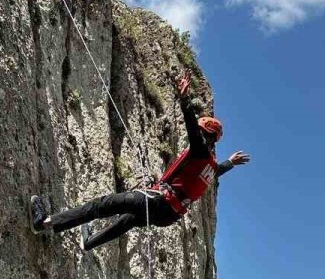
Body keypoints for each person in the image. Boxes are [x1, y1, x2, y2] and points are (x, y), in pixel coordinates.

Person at [30, 72, 250, 252]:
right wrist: (230, 162)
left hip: (159, 201)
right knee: (127, 221)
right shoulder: (209, 167)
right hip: (168, 215)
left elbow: (192, 129)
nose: (198, 135)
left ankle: (45, 223)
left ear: (206, 136)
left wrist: (184, 100)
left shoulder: (200, 150)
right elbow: (218, 170)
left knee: (100, 206)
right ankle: (90, 242)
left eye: (202, 132)